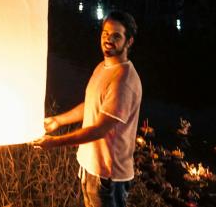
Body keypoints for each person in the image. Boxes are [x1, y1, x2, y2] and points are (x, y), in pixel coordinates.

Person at [35, 11, 142, 207]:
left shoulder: (124, 80)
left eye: (116, 36)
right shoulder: (103, 67)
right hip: (90, 168)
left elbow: (100, 129)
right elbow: (92, 105)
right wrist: (58, 121)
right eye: (105, 33)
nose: (108, 39)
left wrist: (55, 142)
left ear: (129, 42)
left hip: (108, 177)